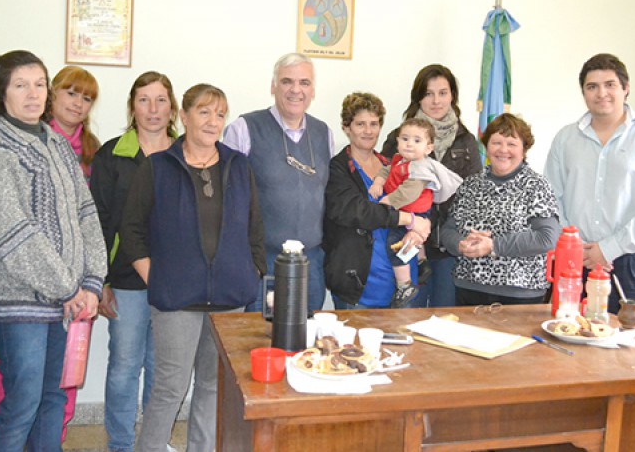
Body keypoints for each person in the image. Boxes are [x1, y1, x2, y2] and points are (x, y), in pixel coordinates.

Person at [0, 50, 105, 451]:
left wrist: (92, 282)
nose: (33, 94)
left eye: (39, 84)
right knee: (21, 406)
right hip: (20, 306)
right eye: (21, 85)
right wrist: (68, 288)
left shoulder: (56, 143)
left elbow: (86, 213)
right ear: (2, 93)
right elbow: (13, 233)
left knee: (53, 402)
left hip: (66, 304)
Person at [121, 84, 266, 452]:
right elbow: (131, 230)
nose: (213, 121)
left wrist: (253, 272)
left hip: (229, 297)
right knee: (170, 386)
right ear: (183, 117)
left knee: (213, 386)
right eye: (204, 112)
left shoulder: (238, 165)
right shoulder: (157, 167)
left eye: (220, 114)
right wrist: (155, 278)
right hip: (176, 299)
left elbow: (254, 227)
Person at [544, 53, 635, 327]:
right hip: (576, 260)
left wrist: (608, 249)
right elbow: (551, 198)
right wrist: (577, 248)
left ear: (625, 88)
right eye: (592, 86)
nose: (601, 93)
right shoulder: (565, 139)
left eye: (610, 85)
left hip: (633, 261)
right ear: (583, 93)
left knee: (632, 343)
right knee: (570, 335)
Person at [90, 72, 178, 452]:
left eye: (161, 100)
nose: (153, 109)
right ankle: (121, 444)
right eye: (144, 100)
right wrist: (100, 281)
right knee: (125, 366)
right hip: (125, 280)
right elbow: (97, 220)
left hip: (174, 283)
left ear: (173, 108)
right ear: (132, 107)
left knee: (163, 369)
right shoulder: (111, 155)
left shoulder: (188, 153)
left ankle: (154, 443)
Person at [223, 52, 334, 312]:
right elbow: (227, 200)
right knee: (259, 334)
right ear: (273, 86)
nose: (296, 90)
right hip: (263, 261)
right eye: (287, 81)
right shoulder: (244, 129)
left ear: (313, 91)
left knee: (307, 334)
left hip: (311, 261)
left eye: (304, 83)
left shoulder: (324, 133)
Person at [382, 64, 482, 307]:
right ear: (418, 97)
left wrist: (453, 234)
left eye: (443, 93)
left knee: (445, 317)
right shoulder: (399, 137)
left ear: (452, 96)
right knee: (406, 316)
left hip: (449, 247)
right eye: (428, 93)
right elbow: (388, 185)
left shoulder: (466, 140)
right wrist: (412, 224)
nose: (436, 101)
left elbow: (473, 194)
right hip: (408, 240)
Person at [324, 93, 432, 309]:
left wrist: (422, 225)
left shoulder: (393, 164)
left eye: (374, 124)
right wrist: (408, 219)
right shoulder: (338, 168)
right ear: (346, 128)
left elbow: (423, 198)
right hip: (361, 287)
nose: (368, 130)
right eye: (360, 124)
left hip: (402, 282)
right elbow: (357, 211)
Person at [440, 114, 560, 305]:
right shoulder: (470, 184)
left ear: (524, 150)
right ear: (486, 147)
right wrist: (460, 244)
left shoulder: (537, 185)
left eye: (511, 144)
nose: (503, 150)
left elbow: (547, 238)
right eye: (496, 142)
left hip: (520, 293)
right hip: (469, 287)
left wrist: (493, 246)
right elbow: (447, 230)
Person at [369, 118, 462, 307]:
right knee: (414, 239)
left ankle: (405, 285)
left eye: (417, 140)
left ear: (428, 148)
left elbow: (409, 192)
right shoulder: (399, 159)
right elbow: (387, 170)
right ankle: (421, 262)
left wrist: (388, 201)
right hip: (411, 212)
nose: (409, 144)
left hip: (415, 211)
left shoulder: (421, 168)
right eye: (405, 139)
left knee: (395, 245)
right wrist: (378, 182)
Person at [47, 66, 101, 179]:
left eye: (86, 99)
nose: (78, 104)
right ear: (52, 93)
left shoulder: (93, 146)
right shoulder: (34, 139)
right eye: (71, 94)